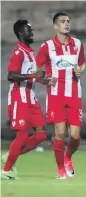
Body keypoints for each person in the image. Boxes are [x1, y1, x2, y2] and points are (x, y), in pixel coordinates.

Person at [36, 12, 86, 179]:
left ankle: (67, 157)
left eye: (68, 21)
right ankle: (60, 169)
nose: (66, 24)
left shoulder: (78, 44)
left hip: (74, 95)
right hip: (56, 96)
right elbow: (36, 70)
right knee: (59, 133)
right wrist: (45, 81)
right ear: (56, 26)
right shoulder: (47, 46)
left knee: (75, 135)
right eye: (63, 22)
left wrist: (81, 70)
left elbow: (82, 63)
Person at [1, 19, 50, 180]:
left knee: (41, 134)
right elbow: (11, 75)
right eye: (29, 30)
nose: (32, 32)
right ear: (21, 33)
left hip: (31, 97)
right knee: (22, 135)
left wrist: (43, 80)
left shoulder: (29, 51)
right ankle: (6, 170)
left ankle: (10, 156)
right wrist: (33, 75)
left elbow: (31, 75)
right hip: (18, 97)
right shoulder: (18, 52)